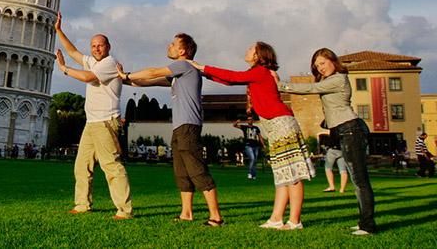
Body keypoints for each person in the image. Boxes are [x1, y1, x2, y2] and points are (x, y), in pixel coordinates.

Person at [190, 42, 313, 231]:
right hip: (275, 126)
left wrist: (202, 67)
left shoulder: (261, 71)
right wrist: (203, 73)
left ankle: (295, 221)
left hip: (282, 124)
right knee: (282, 175)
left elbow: (233, 76)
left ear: (259, 55)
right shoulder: (257, 74)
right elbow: (230, 81)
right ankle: (276, 219)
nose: (246, 50)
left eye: (250, 49)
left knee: (293, 174)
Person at [117, 33, 224, 226]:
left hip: (188, 126)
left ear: (182, 51)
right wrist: (124, 79)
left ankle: (216, 216)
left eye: (174, 44)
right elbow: (147, 82)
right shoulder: (178, 75)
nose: (169, 46)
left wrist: (127, 76)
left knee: (197, 170)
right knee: (181, 172)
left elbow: (152, 72)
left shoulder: (185, 65)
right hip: (179, 127)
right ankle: (186, 213)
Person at [277, 47, 376, 235]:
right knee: (357, 179)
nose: (320, 68)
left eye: (322, 63)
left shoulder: (338, 78)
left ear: (333, 60)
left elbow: (312, 88)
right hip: (344, 130)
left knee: (359, 180)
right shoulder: (330, 80)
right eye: (316, 66)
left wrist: (280, 85)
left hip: (351, 130)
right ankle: (364, 222)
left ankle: (368, 225)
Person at [54, 12, 133, 220]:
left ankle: (124, 210)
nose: (96, 48)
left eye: (100, 45)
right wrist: (58, 30)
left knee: (111, 166)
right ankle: (82, 204)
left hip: (106, 122)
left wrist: (64, 69)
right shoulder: (93, 61)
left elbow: (88, 77)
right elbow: (72, 52)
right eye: (93, 46)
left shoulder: (109, 63)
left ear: (108, 47)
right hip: (92, 123)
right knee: (82, 165)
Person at [321, 128, 348, 193]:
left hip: (333, 149)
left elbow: (323, 125)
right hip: (342, 150)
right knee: (343, 170)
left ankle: (331, 186)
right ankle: (342, 189)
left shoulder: (333, 127)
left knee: (328, 168)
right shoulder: (344, 129)